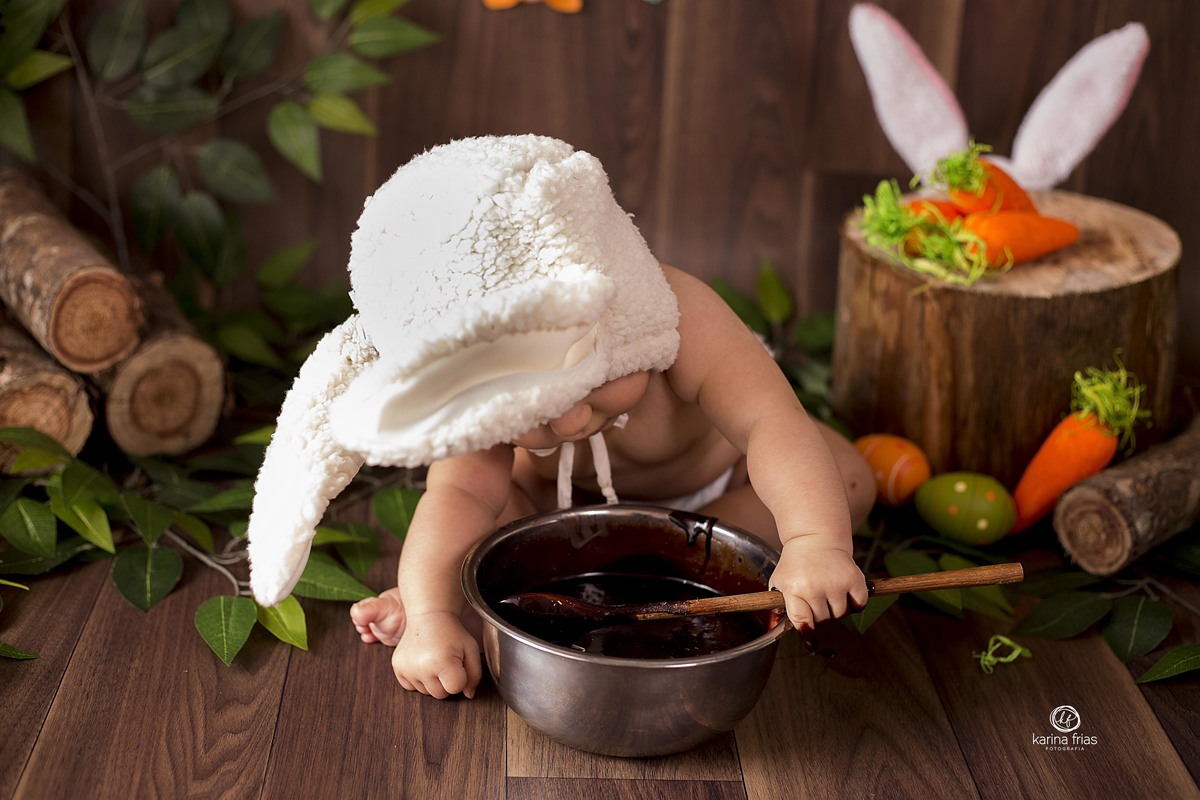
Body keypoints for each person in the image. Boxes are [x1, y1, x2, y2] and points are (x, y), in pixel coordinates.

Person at [244, 134, 874, 702]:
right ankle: (434, 599)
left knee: (845, 477)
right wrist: (432, 615)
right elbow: (458, 493)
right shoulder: (477, 372)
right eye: (537, 413)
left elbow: (769, 421)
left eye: (597, 380)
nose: (572, 421)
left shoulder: (675, 311)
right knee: (489, 519)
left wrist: (815, 542)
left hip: (717, 500)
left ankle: (680, 561)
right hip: (551, 514)